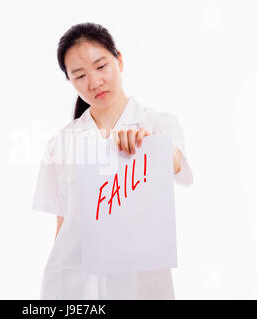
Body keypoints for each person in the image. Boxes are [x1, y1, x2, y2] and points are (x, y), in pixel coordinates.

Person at [32, 22, 194, 299]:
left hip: (141, 284)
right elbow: (63, 227)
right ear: (69, 81)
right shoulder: (61, 143)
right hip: (75, 287)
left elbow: (176, 163)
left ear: (119, 59)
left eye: (101, 66)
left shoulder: (157, 124)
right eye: (80, 75)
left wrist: (150, 144)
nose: (94, 82)